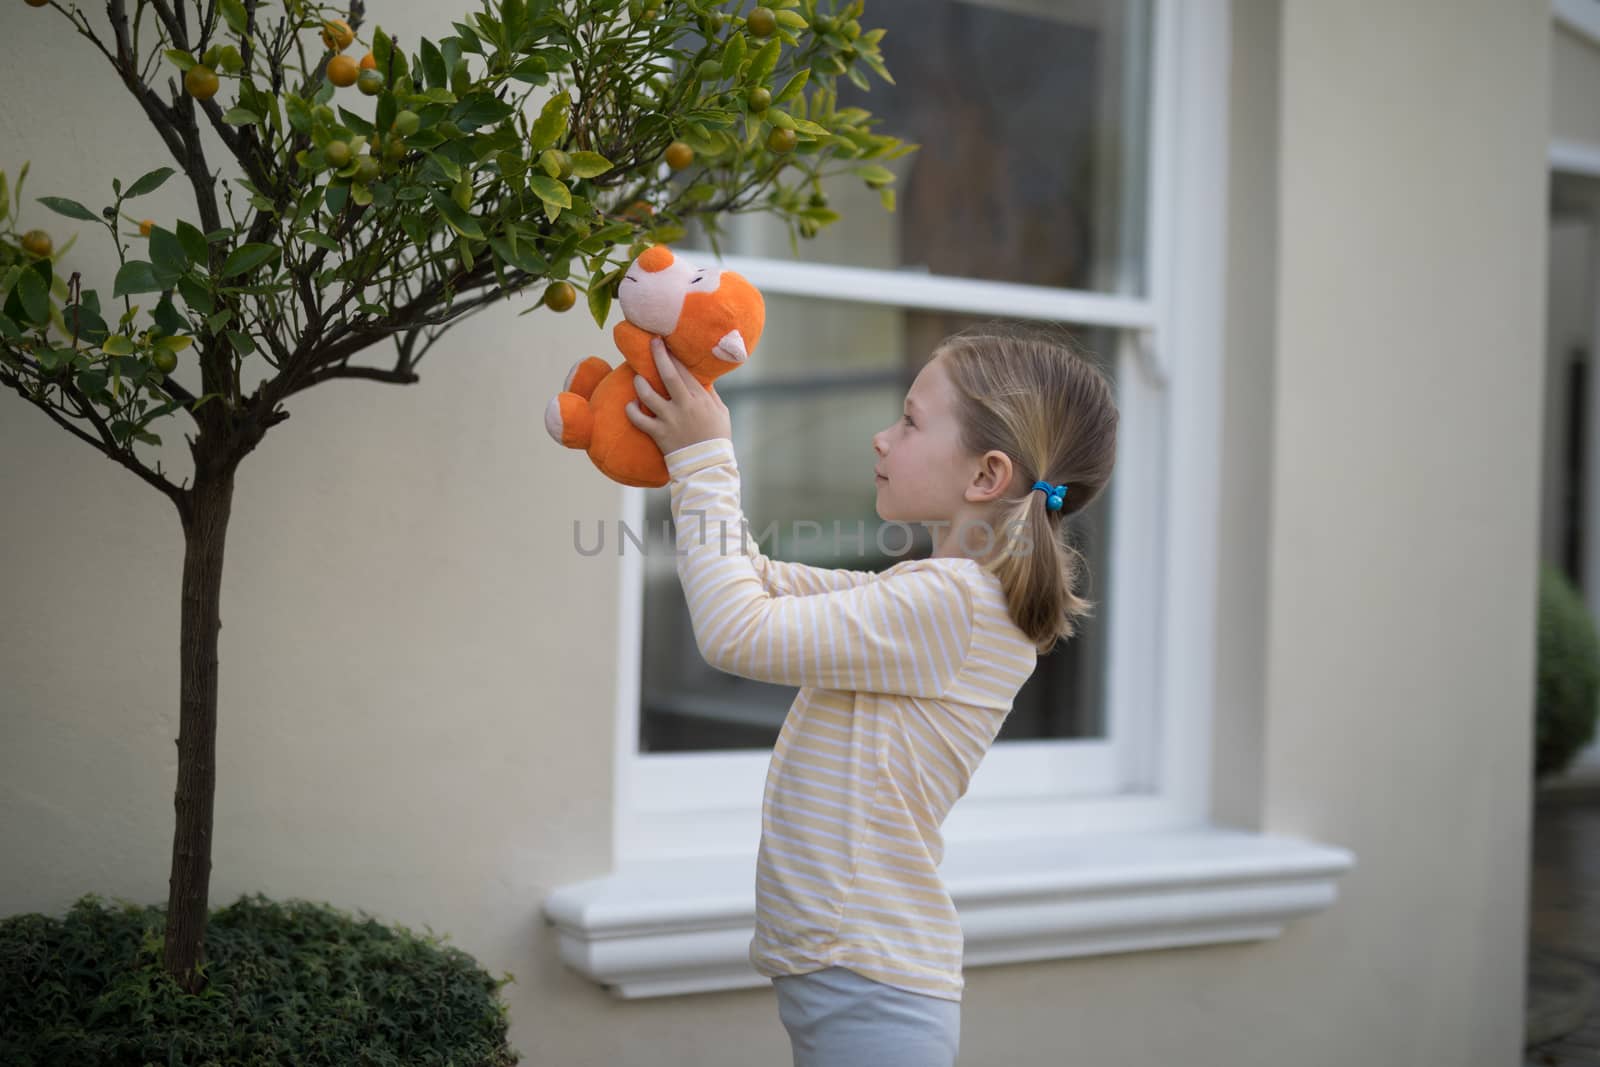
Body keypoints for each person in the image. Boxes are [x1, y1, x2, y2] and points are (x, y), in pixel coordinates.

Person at [625, 323, 1119, 1067]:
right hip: (860, 974)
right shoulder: (935, 595)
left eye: (912, 421)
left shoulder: (952, 605)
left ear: (987, 475)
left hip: (873, 983)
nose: (881, 438)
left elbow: (736, 629)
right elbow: (759, 581)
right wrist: (689, 446)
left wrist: (703, 458)